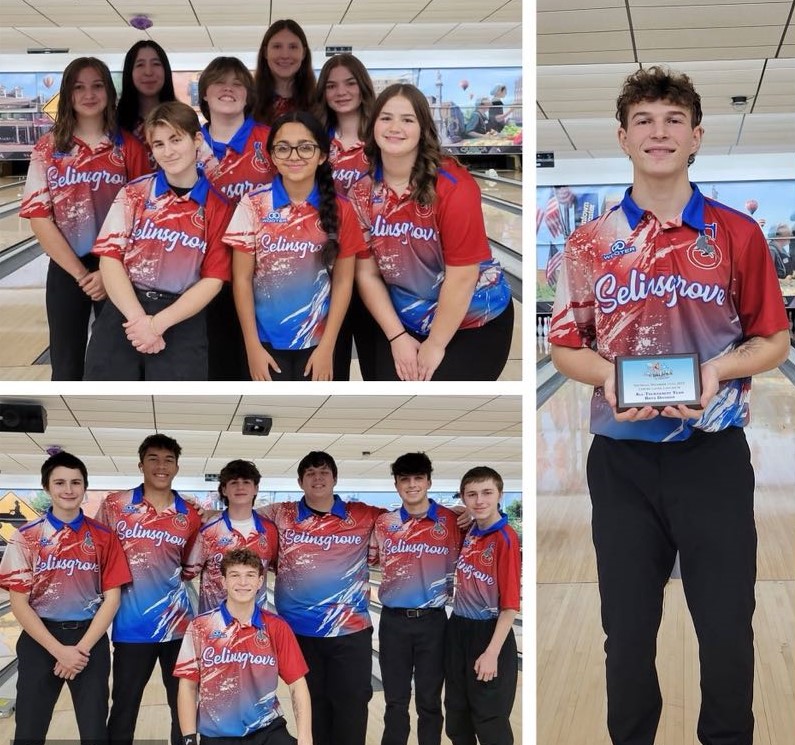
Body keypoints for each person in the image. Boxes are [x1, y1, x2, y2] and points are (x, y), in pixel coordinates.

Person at [549, 66, 790, 745]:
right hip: (620, 464)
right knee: (624, 637)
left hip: (710, 458)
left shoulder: (737, 235)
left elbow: (772, 340)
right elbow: (568, 346)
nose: (659, 132)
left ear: (695, 137)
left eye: (673, 120)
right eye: (645, 121)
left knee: (725, 631)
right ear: (623, 137)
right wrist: (612, 378)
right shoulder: (589, 242)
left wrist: (717, 368)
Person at [348, 83, 514, 381]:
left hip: (473, 318)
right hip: (405, 319)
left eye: (407, 119)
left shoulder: (454, 187)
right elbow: (367, 274)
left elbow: (462, 277)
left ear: (422, 128)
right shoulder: (361, 193)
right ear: (372, 125)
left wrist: (435, 345)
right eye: (386, 118)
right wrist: (397, 337)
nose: (395, 127)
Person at [85, 101, 234, 380]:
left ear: (197, 140)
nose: (168, 151)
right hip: (124, 312)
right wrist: (139, 320)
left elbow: (213, 280)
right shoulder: (134, 193)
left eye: (176, 140)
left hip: (181, 318)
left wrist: (156, 326)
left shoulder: (219, 207)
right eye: (159, 144)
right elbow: (110, 259)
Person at [20, 57, 149, 380]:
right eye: (79, 87)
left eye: (97, 85)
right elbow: (38, 216)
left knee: (117, 362)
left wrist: (108, 273)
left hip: (120, 269)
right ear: (67, 94)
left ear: (109, 91)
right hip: (68, 268)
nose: (88, 94)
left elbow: (145, 217)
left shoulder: (129, 147)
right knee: (65, 362)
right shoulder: (48, 148)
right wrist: (81, 274)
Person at [0, 451, 132, 745]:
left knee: (95, 732)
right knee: (29, 732)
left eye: (76, 482)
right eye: (60, 482)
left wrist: (79, 650)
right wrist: (60, 651)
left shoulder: (104, 537)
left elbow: (112, 599)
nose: (68, 489)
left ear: (85, 487)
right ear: (47, 487)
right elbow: (19, 603)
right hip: (40, 640)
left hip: (89, 640)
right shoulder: (26, 537)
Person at [256, 451, 384, 745]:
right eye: (311, 473)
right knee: (311, 706)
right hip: (299, 633)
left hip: (351, 632)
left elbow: (410, 513)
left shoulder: (363, 514)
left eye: (324, 472)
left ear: (335, 478)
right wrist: (203, 514)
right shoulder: (280, 514)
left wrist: (459, 512)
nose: (318, 478)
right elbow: (239, 515)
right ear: (300, 481)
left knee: (351, 706)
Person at [224, 111, 361, 381]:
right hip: (263, 341)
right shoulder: (252, 204)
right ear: (273, 156)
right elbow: (241, 279)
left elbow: (344, 282)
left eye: (306, 147)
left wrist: (328, 346)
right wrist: (251, 345)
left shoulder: (342, 209)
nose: (294, 156)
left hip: (319, 342)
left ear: (322, 155)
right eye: (283, 148)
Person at [98, 433, 203, 745]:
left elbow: (190, 566)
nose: (161, 466)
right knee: (124, 707)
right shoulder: (115, 505)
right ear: (141, 464)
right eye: (154, 459)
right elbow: (98, 554)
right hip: (131, 628)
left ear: (177, 467)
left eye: (168, 460)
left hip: (178, 628)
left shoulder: (189, 512)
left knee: (182, 705)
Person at [175, 548, 312, 745]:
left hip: (267, 730)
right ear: (223, 581)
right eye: (235, 575)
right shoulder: (200, 627)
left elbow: (297, 685)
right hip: (218, 736)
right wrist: (189, 739)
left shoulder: (277, 627)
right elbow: (187, 686)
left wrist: (305, 738)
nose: (242, 583)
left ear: (260, 582)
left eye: (250, 575)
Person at [373, 453, 463, 745]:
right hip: (393, 623)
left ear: (429, 481)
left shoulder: (452, 521)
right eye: (405, 479)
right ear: (397, 484)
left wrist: (473, 514)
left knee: (430, 701)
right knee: (395, 702)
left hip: (434, 623)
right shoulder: (384, 524)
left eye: (418, 478)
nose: (412, 485)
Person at [197, 55, 276, 380]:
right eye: (219, 82)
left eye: (237, 83)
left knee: (254, 368)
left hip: (262, 273)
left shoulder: (270, 140)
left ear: (248, 94)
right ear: (204, 92)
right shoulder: (187, 142)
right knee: (214, 366)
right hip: (200, 274)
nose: (228, 89)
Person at [444, 467, 520, 745]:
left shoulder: (506, 538)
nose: (479, 501)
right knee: (457, 716)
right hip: (458, 629)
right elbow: (438, 511)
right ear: (464, 497)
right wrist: (456, 509)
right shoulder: (470, 530)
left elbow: (511, 606)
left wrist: (491, 654)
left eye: (487, 493)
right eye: (472, 494)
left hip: (489, 633)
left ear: (500, 494)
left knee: (490, 721)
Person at [315, 53, 379, 381]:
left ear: (362, 86)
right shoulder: (316, 141)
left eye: (350, 83)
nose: (341, 91)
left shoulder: (383, 138)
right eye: (331, 85)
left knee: (378, 366)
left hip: (376, 272)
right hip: (328, 272)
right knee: (331, 367)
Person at [187, 459, 278, 614]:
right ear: (224, 490)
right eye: (234, 482)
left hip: (255, 627)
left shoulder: (269, 530)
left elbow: (274, 566)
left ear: (256, 489)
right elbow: (189, 571)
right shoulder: (208, 530)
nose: (240, 487)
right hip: (214, 625)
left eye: (246, 482)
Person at [253, 19, 316, 125]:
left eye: (293, 47)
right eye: (277, 46)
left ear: (304, 53)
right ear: (265, 52)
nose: (285, 55)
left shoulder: (319, 103)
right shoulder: (248, 102)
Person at [117, 40, 176, 142]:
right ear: (129, 72)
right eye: (140, 65)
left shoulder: (181, 117)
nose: (148, 72)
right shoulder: (114, 123)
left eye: (156, 64)